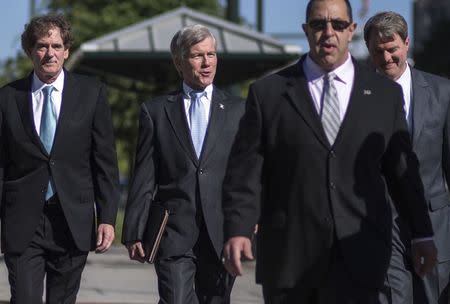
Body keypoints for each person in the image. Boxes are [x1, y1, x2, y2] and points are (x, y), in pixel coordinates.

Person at [221, 0, 437, 303]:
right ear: (306, 30)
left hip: (361, 258)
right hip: (289, 260)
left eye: (337, 24)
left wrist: (422, 234)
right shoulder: (268, 93)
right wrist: (238, 228)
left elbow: (403, 173)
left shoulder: (384, 95)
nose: (328, 32)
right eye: (319, 24)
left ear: (351, 30)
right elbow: (246, 170)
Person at [0, 14, 120, 304]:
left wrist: (107, 216)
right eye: (42, 46)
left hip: (72, 220)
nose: (49, 53)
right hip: (23, 220)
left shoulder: (92, 93)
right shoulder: (7, 98)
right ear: (30, 51)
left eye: (56, 45)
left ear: (67, 50)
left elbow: (104, 160)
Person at [122, 24, 244, 304]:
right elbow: (144, 175)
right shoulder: (155, 112)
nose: (206, 63)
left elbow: (247, 173)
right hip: (174, 232)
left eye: (211, 54)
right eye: (197, 55)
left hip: (221, 231)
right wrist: (133, 230)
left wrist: (253, 217)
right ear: (179, 62)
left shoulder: (239, 110)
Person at [364, 11, 450, 304]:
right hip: (383, 227)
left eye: (392, 49)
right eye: (378, 51)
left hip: (434, 226)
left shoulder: (442, 92)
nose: (386, 57)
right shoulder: (355, 99)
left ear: (407, 44)